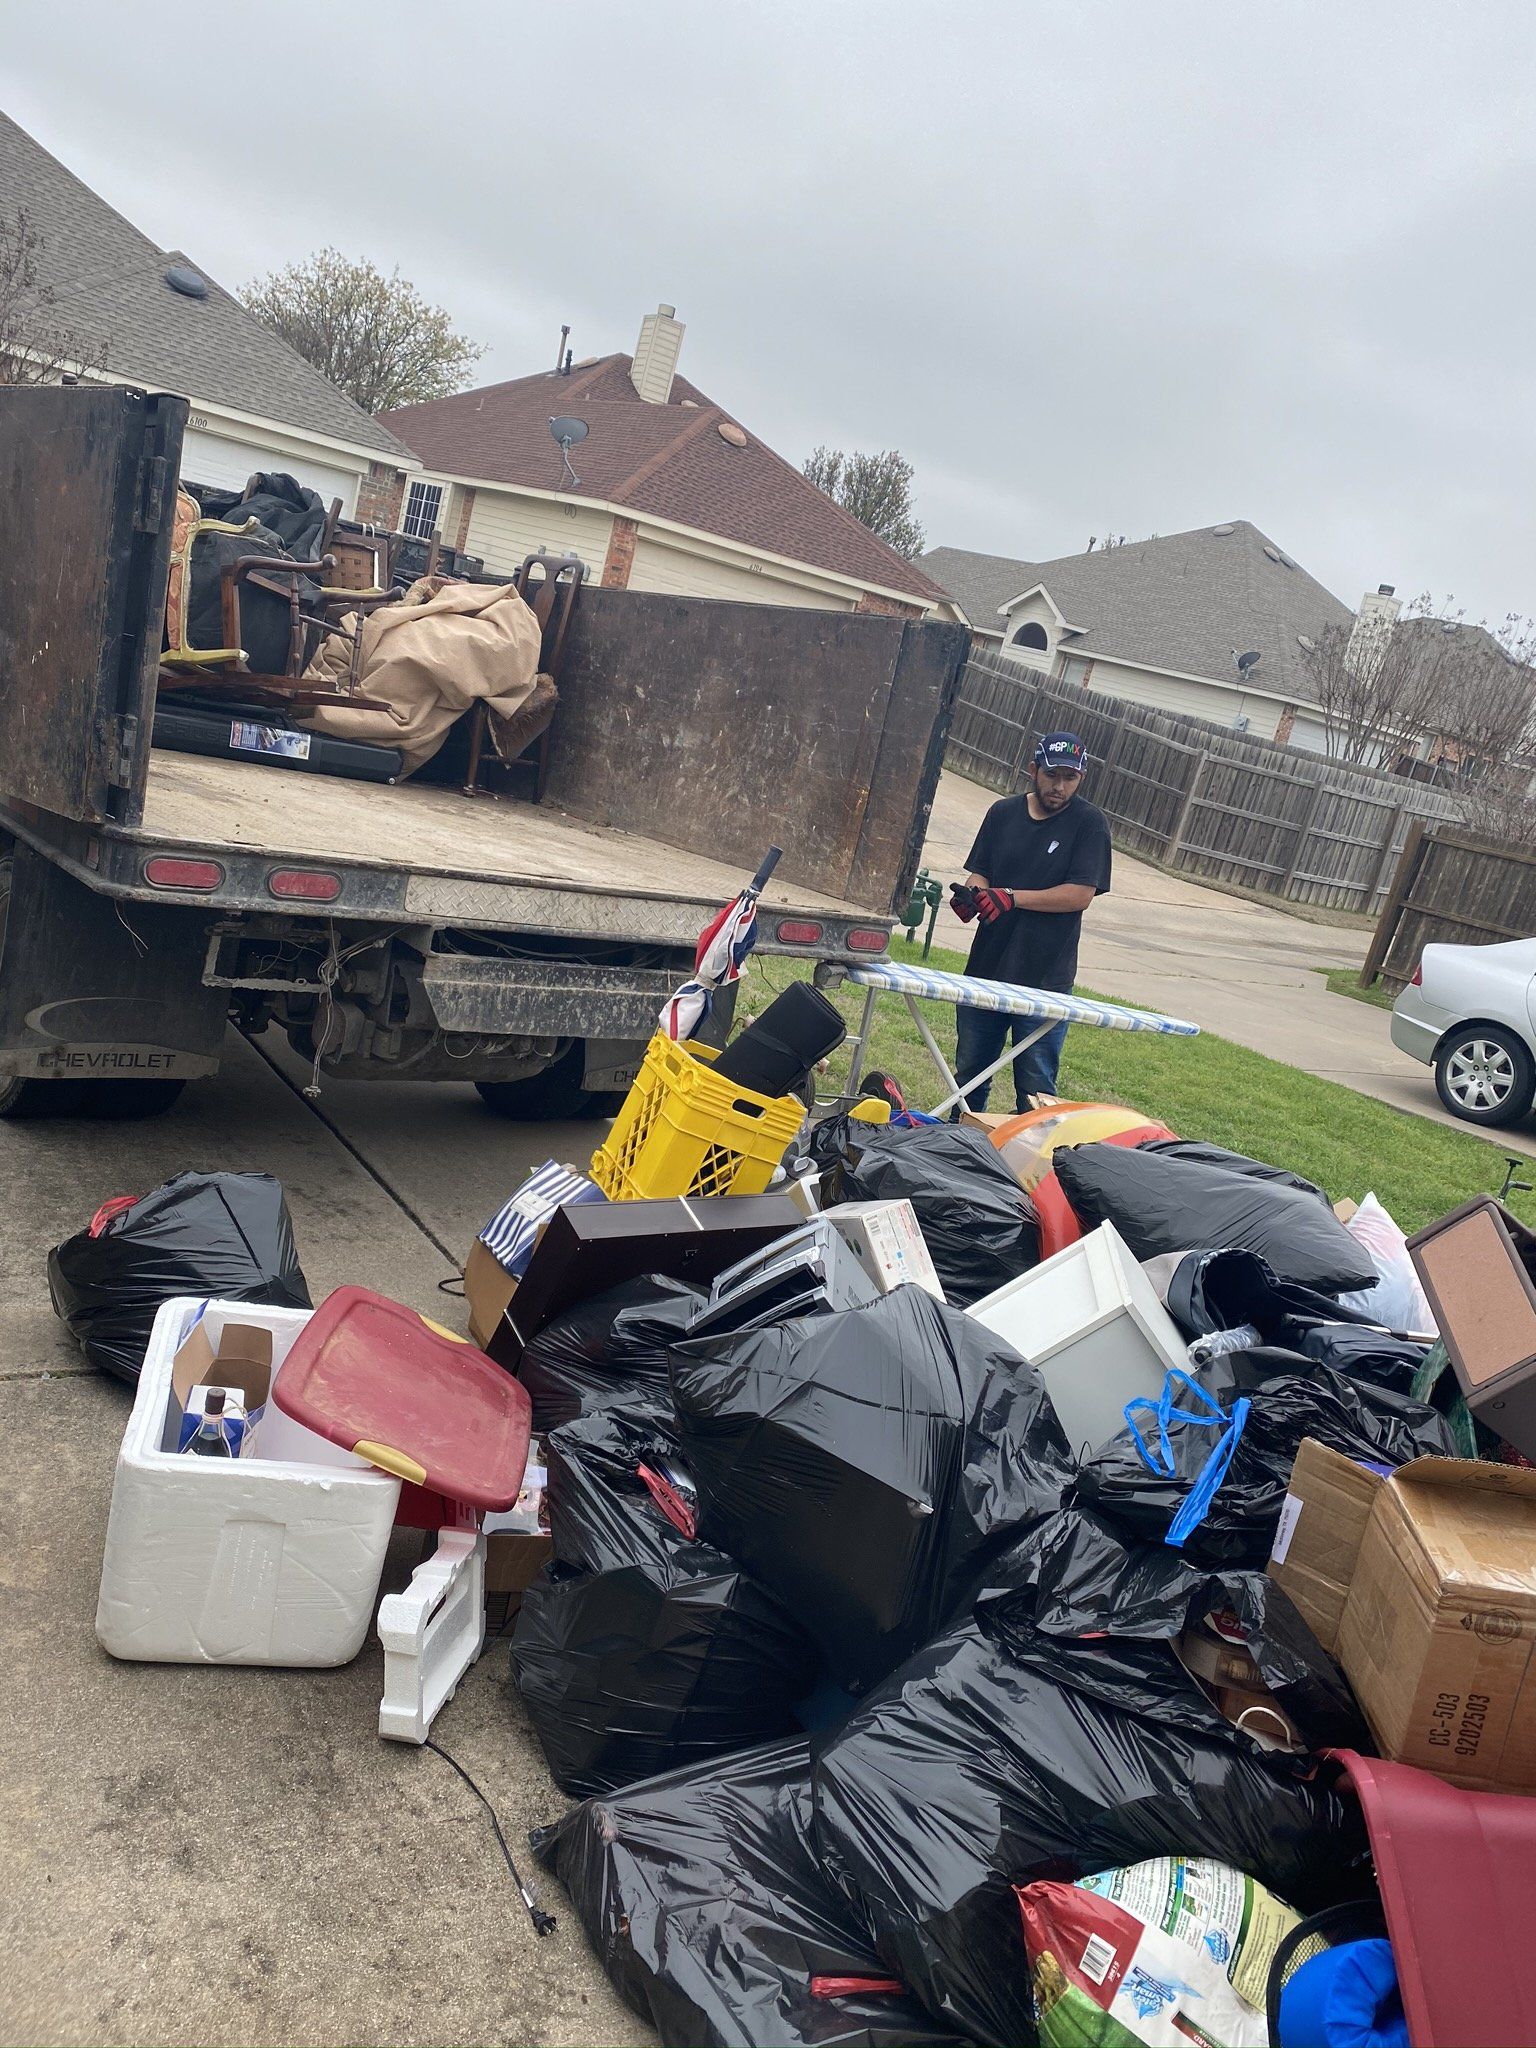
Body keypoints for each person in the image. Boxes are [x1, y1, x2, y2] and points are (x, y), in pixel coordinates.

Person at [950, 731, 1112, 1111]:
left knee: (1036, 1086)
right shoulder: (1002, 813)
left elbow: (1080, 895)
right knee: (969, 1073)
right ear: (1033, 769)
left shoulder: (1090, 823)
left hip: (1045, 979)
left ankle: (1030, 1163)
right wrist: (973, 896)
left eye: (1069, 778)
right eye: (1051, 775)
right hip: (987, 967)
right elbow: (980, 872)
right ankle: (954, 1146)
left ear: (1081, 778)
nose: (1059, 786)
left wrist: (1010, 898)